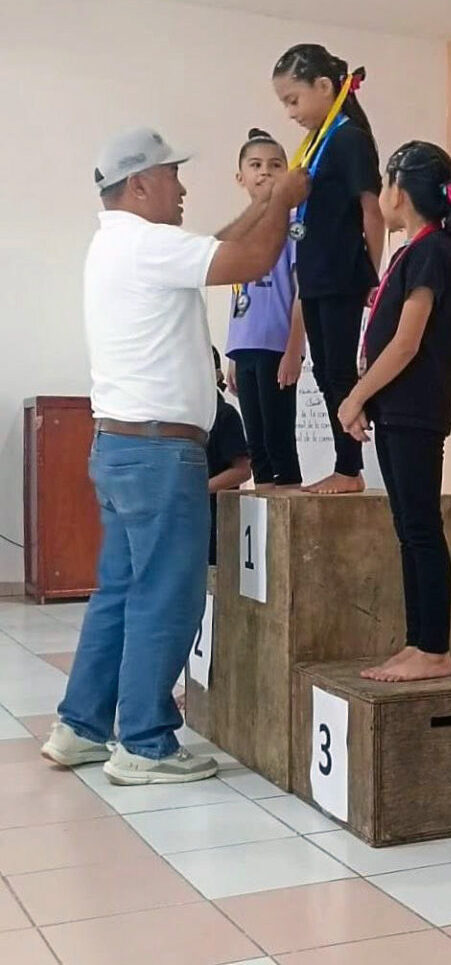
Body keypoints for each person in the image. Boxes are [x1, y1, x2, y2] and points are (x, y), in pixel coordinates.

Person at [41, 126, 308, 785]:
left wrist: (261, 202)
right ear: (140, 184)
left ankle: (80, 727)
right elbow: (250, 260)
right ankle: (146, 744)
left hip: (123, 448)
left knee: (120, 593)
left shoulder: (121, 243)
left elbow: (216, 242)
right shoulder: (146, 245)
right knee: (167, 598)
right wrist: (285, 201)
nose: (182, 187)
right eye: (172, 175)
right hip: (159, 454)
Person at [339, 142, 451, 682]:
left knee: (421, 527)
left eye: (385, 182)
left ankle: (434, 648)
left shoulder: (433, 252)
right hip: (398, 411)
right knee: (409, 527)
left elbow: (406, 344)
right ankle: (418, 640)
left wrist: (356, 396)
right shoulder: (416, 250)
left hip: (416, 411)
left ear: (399, 190)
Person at [272, 43, 385, 494]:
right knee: (323, 372)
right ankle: (345, 464)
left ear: (323, 87)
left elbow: (372, 212)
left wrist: (373, 275)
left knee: (338, 371)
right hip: (316, 275)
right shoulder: (318, 143)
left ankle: (349, 469)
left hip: (342, 274)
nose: (290, 112)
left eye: (293, 100)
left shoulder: (348, 138)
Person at [225, 129, 304, 491]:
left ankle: (288, 508)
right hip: (245, 347)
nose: (265, 172)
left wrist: (294, 349)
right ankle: (263, 515)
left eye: (275, 165)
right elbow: (237, 292)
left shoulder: (294, 225)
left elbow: (302, 290)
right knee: (256, 445)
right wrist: (232, 354)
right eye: (255, 165)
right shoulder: (241, 230)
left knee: (278, 438)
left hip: (277, 345)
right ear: (240, 177)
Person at [207, 346, 251, 565]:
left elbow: (242, 470)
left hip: (216, 519)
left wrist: (199, 489)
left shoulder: (225, 415)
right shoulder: (181, 415)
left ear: (217, 374)